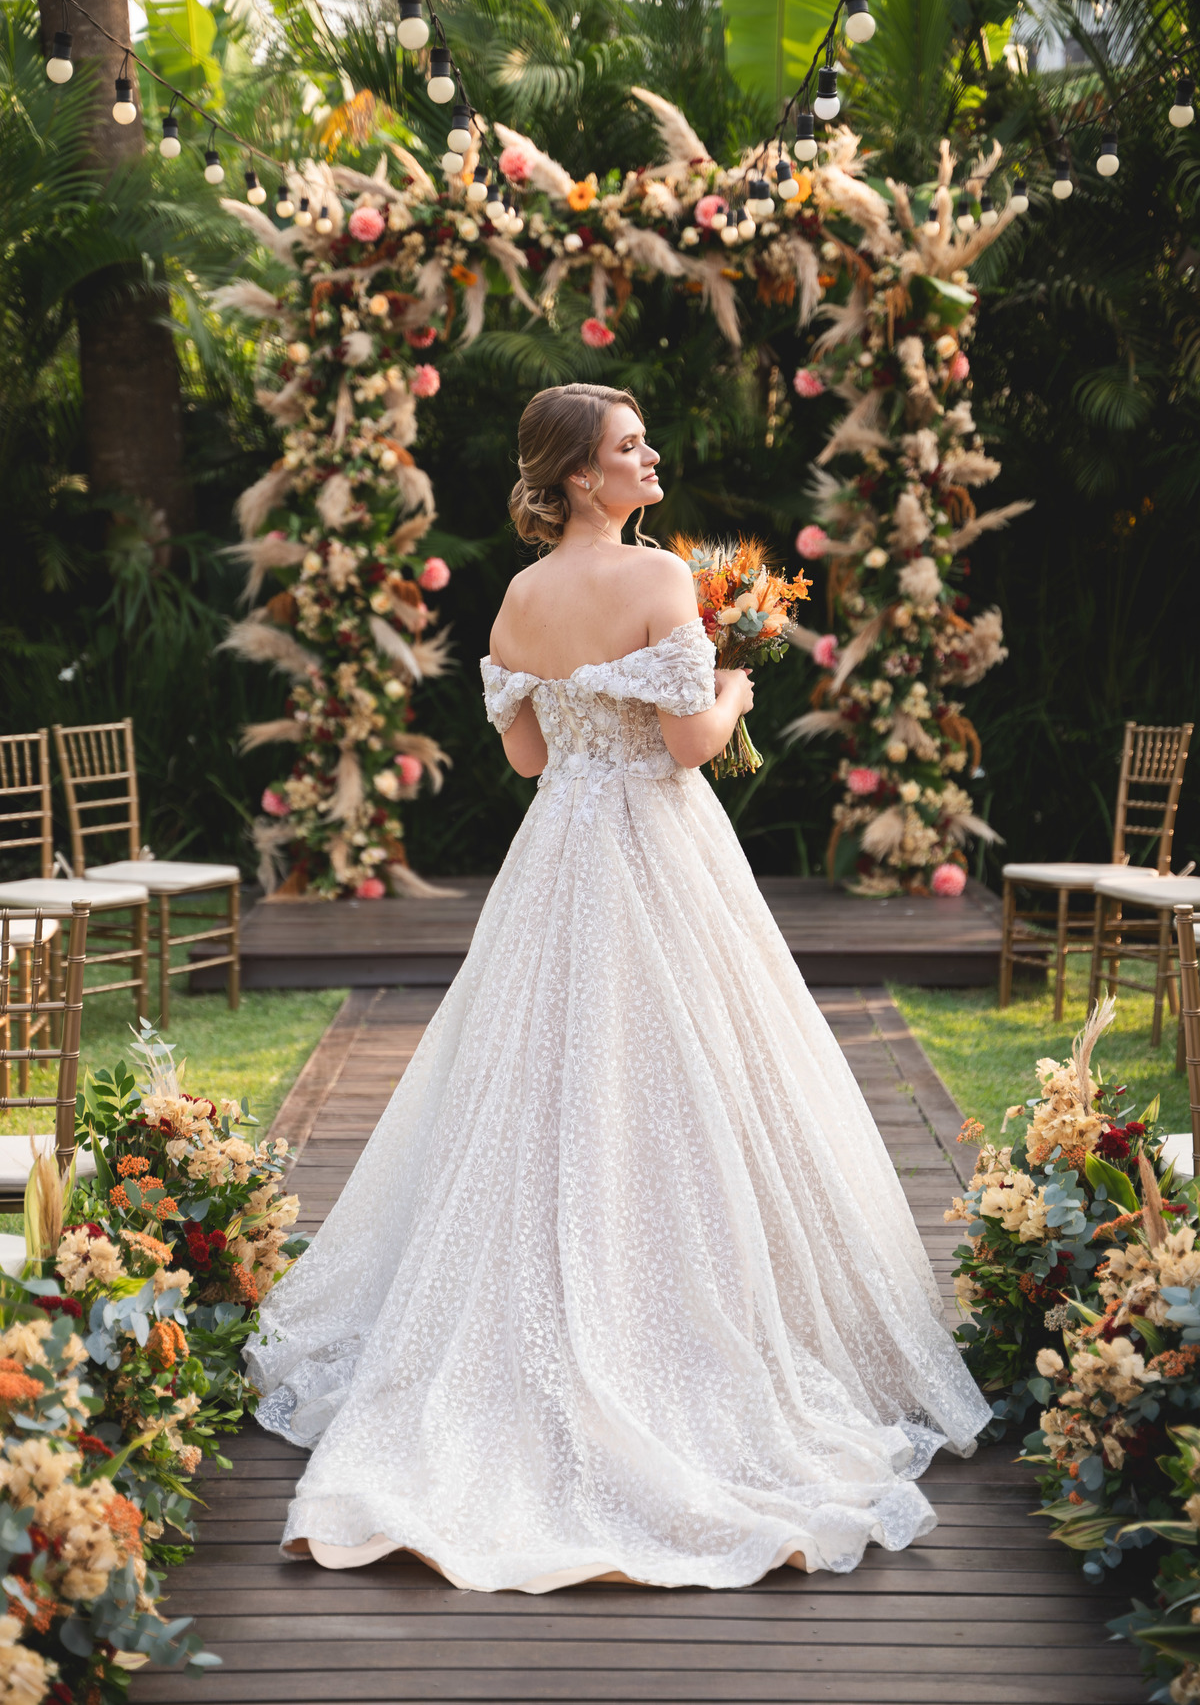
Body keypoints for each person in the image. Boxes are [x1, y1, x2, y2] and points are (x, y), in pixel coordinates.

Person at [246, 381, 989, 1592]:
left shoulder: (520, 598)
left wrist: (638, 701)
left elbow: (531, 756)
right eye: (631, 447)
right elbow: (692, 747)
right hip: (658, 840)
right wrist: (740, 680)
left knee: (536, 1077)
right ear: (584, 477)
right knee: (694, 1066)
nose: (653, 457)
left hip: (558, 856)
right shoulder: (656, 584)